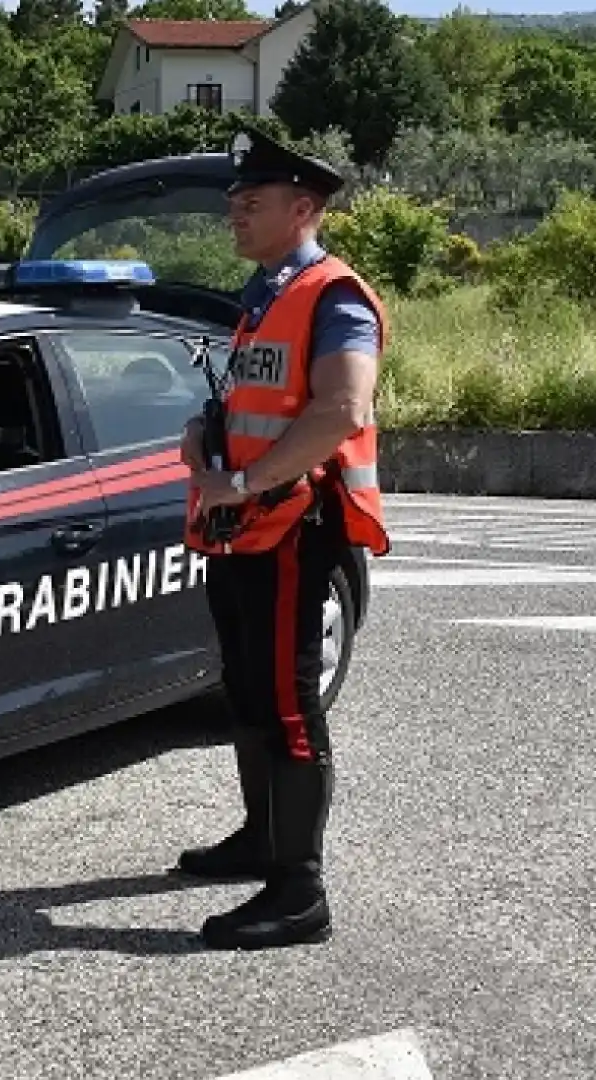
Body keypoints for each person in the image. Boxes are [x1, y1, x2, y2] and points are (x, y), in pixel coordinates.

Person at [175, 127, 393, 951]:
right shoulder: (266, 292)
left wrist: (244, 480)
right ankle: (260, 841)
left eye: (252, 202)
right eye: (234, 200)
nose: (235, 212)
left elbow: (341, 409)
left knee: (289, 706)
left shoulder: (334, 295)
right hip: (242, 530)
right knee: (248, 693)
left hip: (296, 528)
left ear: (303, 208)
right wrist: (208, 434)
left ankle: (298, 890)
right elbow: (257, 396)